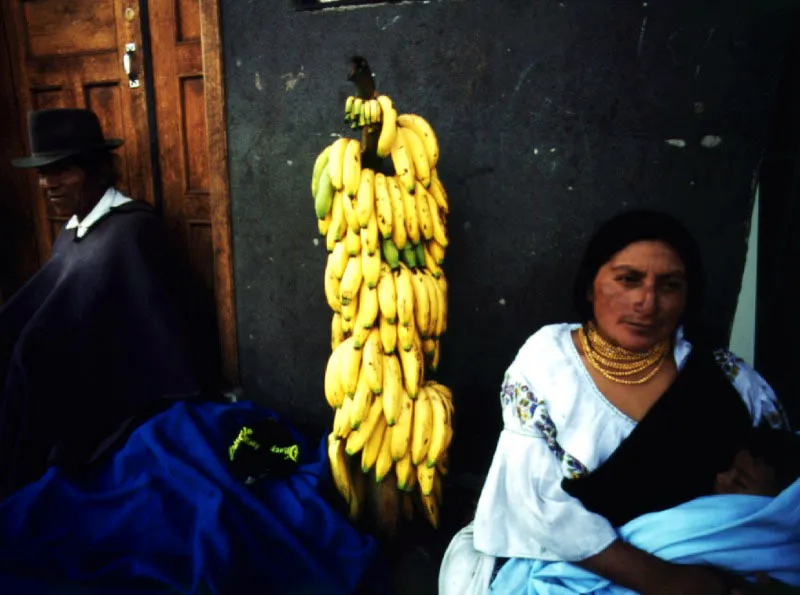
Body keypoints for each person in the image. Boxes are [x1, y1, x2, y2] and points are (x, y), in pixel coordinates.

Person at [439, 210, 793, 595]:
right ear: (591, 286)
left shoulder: (728, 381)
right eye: (628, 280)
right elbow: (535, 505)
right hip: (562, 567)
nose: (647, 301)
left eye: (670, 285)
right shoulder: (548, 364)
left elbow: (780, 495)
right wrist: (671, 583)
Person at [0, 108, 217, 498]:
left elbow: (146, 332)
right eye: (42, 173)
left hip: (125, 392)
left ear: (98, 169)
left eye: (62, 170)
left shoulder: (132, 231)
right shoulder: (73, 231)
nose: (49, 184)